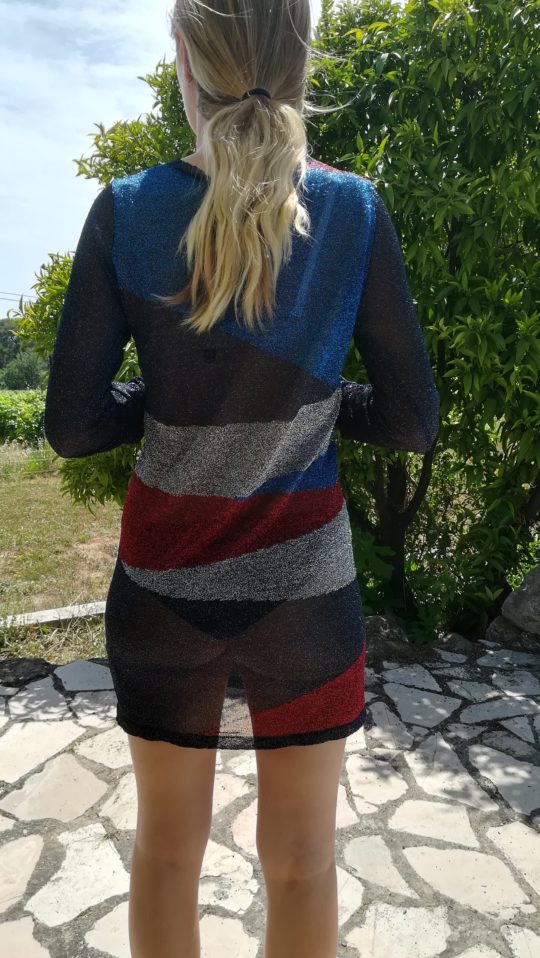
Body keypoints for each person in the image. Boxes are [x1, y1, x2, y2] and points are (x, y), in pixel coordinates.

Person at [43, 2, 440, 955]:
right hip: (307, 598)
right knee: (302, 864)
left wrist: (167, 399)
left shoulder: (128, 209)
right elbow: (411, 418)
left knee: (164, 855)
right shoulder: (352, 210)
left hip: (162, 591)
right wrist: (316, 404)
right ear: (302, 55)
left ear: (184, 58)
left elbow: (71, 425)